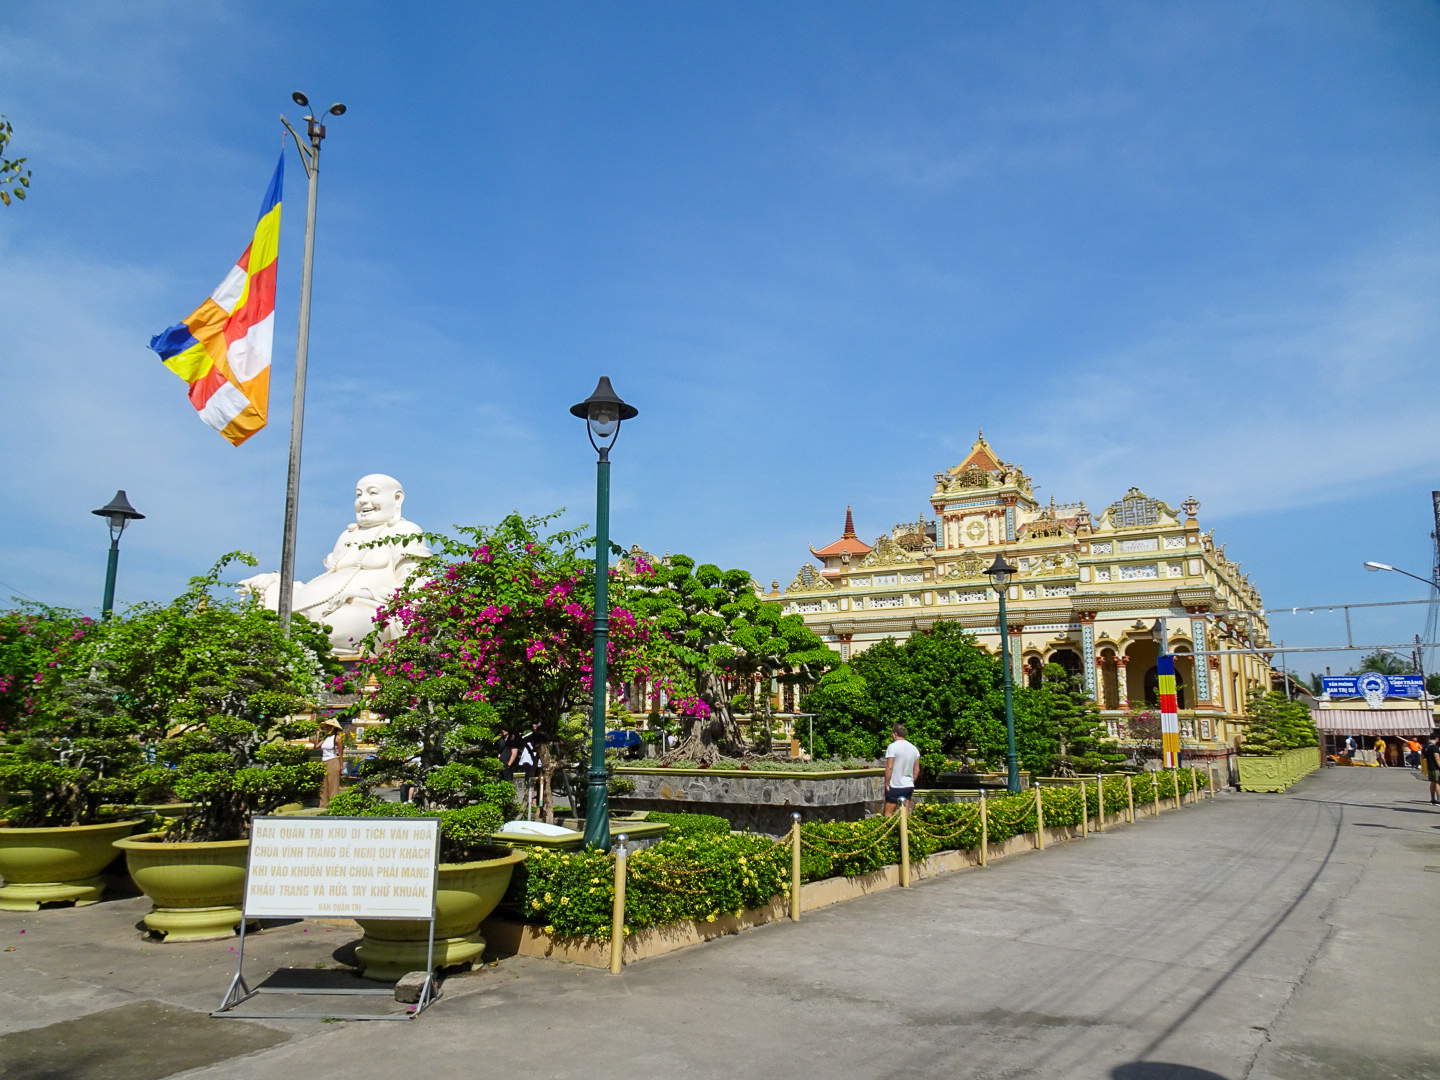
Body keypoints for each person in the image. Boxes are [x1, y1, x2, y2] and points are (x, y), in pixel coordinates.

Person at [882, 724, 921, 817]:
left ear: (895, 734)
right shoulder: (914, 748)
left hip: (895, 785)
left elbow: (889, 767)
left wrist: (887, 783)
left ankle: (889, 830)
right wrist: (911, 781)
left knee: (888, 814)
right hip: (908, 785)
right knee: (905, 814)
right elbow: (916, 770)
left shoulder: (892, 747)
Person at [315, 718, 345, 808]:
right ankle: (323, 806)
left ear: (333, 727)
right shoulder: (326, 738)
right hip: (324, 762)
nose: (327, 728)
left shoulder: (337, 738)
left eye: (328, 726)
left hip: (332, 761)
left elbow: (340, 753)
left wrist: (341, 767)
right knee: (323, 786)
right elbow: (316, 746)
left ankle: (333, 806)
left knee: (333, 785)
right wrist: (318, 735)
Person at [1422, 734, 1440, 807]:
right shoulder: (1434, 747)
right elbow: (1437, 758)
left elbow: (1422, 756)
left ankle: (1432, 799)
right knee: (1438, 783)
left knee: (1433, 782)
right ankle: (1439, 800)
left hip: (1430, 767)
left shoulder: (1425, 746)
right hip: (1436, 767)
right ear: (1437, 739)